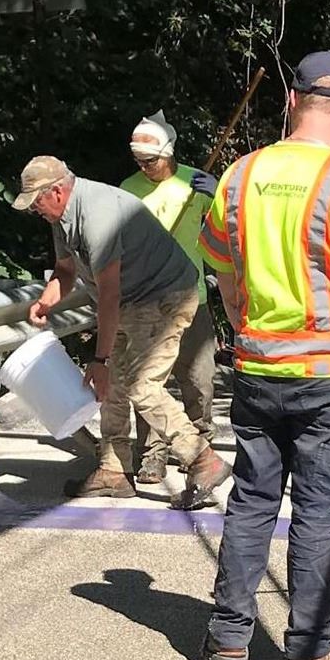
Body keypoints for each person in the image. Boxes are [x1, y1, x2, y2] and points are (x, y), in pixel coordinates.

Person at [198, 51, 330, 660]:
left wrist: (248, 320)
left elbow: (222, 273)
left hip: (258, 368)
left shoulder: (239, 176)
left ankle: (230, 639)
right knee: (318, 512)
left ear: (291, 100)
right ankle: (312, 648)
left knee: (252, 501)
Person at [15, 155, 231, 501]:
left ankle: (202, 459)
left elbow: (109, 295)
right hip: (131, 298)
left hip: (165, 296)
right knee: (111, 386)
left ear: (56, 191)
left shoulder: (98, 214)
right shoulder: (62, 217)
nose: (34, 210)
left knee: (140, 385)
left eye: (36, 202)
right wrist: (46, 300)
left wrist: (99, 360)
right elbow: (66, 271)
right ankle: (113, 469)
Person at [119, 112, 220, 490]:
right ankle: (153, 453)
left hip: (193, 296)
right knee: (150, 382)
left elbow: (227, 228)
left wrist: (219, 192)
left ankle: (199, 446)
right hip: (147, 298)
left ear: (169, 152)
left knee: (198, 380)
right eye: (139, 162)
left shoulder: (195, 182)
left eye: (152, 160)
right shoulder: (127, 190)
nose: (145, 168)